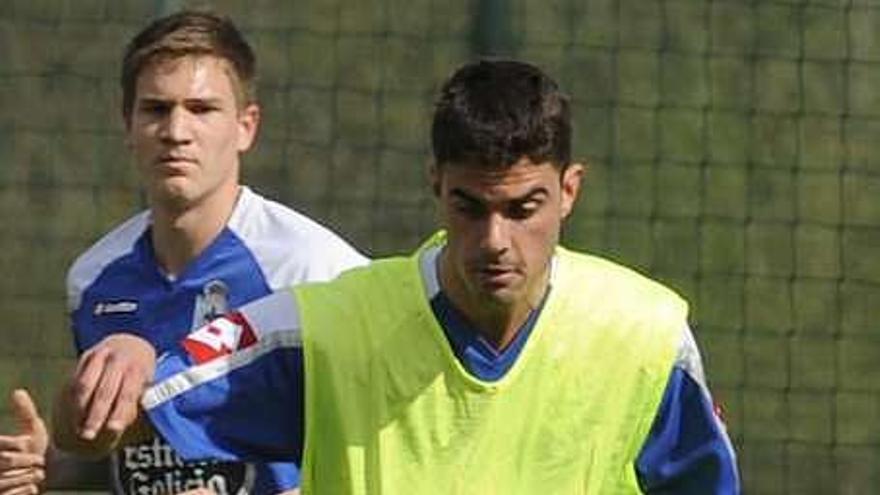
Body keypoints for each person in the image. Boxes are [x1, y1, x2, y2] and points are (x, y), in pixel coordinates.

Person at [55, 59, 739, 493]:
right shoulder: (318, 330)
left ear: (569, 191)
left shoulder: (646, 337)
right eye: (469, 207)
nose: (494, 241)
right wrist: (127, 364)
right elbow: (103, 428)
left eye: (522, 208)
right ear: (436, 184)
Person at [0, 9, 366, 495]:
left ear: (245, 127)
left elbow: (376, 451)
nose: (176, 131)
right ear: (127, 124)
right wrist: (58, 466)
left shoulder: (316, 269)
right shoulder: (93, 280)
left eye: (201, 109)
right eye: (156, 109)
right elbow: (149, 455)